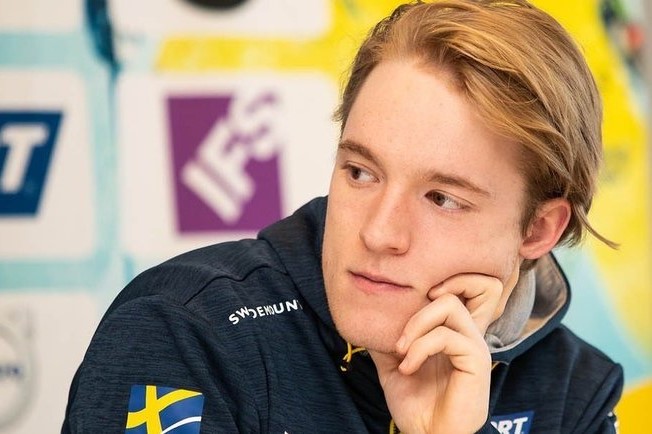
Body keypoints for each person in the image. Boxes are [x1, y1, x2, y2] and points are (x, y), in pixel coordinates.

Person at [62, 0, 623, 432]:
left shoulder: (575, 392)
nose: (378, 232)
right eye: (361, 172)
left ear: (538, 229)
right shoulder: (187, 331)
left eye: (441, 199)